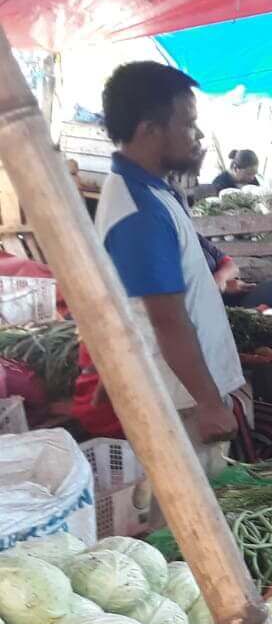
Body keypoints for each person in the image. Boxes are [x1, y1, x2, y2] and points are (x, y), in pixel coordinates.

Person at [75, 62, 248, 454]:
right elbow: (167, 319)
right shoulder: (138, 210)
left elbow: (121, 297)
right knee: (190, 510)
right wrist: (207, 403)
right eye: (188, 123)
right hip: (179, 402)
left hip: (177, 392)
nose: (197, 134)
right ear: (148, 129)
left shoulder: (151, 193)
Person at [199, 233, 272, 309]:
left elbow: (231, 265)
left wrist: (220, 278)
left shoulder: (194, 237)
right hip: (217, 309)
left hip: (234, 296)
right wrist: (222, 288)